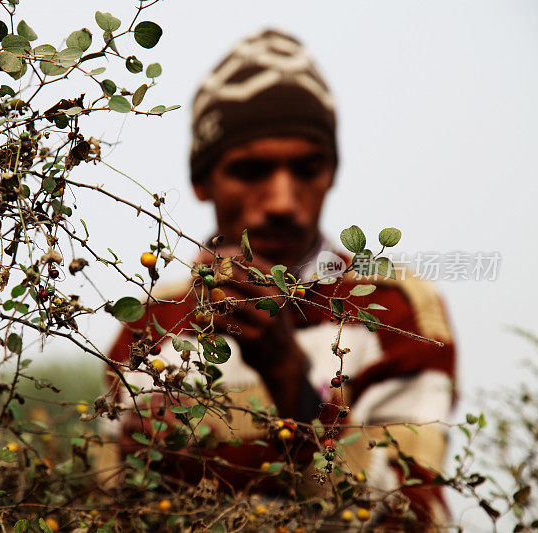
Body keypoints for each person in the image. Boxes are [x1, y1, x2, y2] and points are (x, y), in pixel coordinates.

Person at [98, 29, 456, 529]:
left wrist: (293, 385)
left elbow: (412, 514)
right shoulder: (153, 322)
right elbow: (114, 506)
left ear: (331, 172)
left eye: (308, 168)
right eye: (251, 171)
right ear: (203, 181)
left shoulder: (394, 311)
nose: (284, 201)